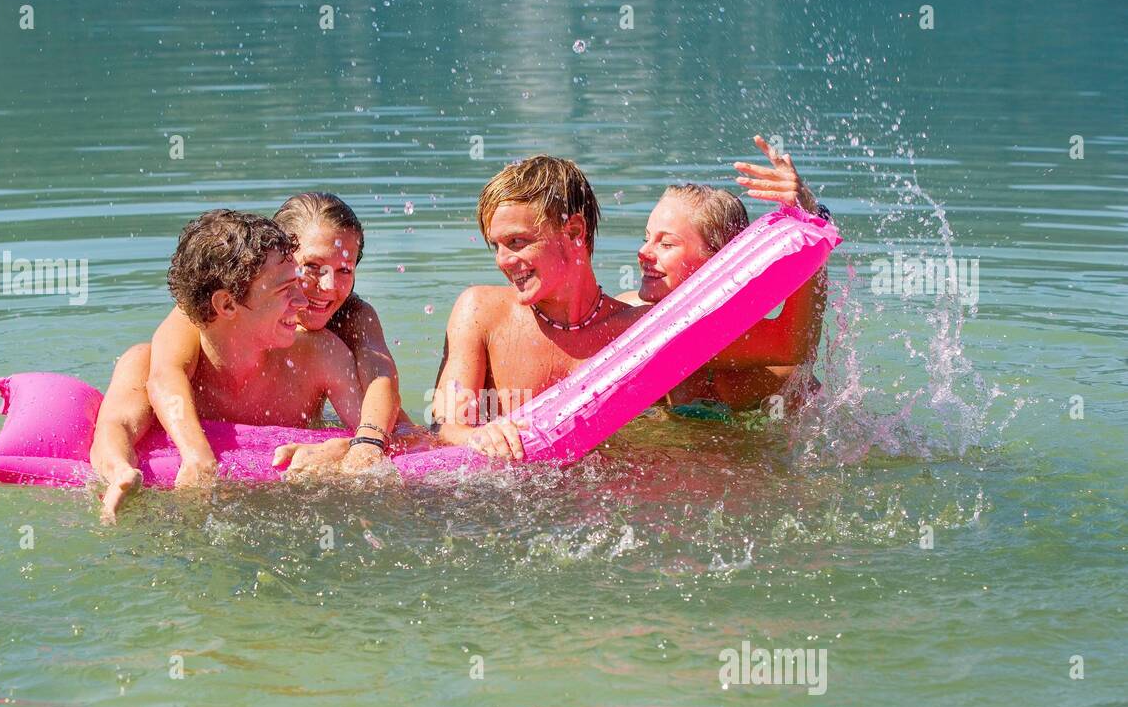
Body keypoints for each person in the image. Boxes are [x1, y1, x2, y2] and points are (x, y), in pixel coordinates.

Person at [89, 209, 364, 522]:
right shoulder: (144, 364)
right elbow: (114, 428)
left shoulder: (319, 356)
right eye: (284, 289)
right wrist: (120, 471)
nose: (302, 302)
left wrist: (342, 448)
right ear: (228, 304)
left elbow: (385, 435)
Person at [147, 193, 406, 480]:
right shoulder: (208, 313)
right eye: (312, 267)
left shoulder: (352, 316)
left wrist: (361, 444)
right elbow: (165, 372)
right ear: (278, 254)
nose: (329, 287)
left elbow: (381, 379)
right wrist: (196, 454)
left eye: (344, 269)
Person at [430, 155, 647, 460]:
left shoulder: (638, 331)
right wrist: (476, 435)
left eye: (517, 241)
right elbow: (443, 427)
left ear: (573, 232)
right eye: (497, 246)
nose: (502, 260)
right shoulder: (481, 312)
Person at [617, 135, 829, 410]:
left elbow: (798, 344)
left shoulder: (772, 373)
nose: (643, 253)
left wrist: (810, 218)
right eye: (646, 238)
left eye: (666, 243)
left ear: (718, 262)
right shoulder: (627, 318)